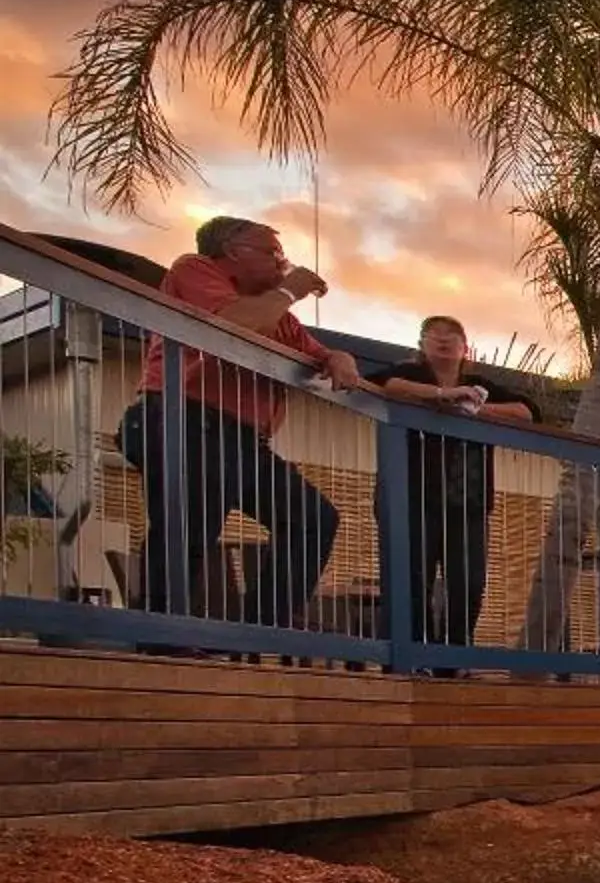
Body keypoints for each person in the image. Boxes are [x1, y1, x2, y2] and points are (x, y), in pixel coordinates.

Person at [120, 215, 362, 626]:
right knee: (188, 526)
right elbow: (230, 326)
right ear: (233, 252)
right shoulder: (195, 269)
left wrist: (340, 357)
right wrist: (290, 288)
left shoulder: (278, 313)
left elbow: (320, 352)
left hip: (244, 441)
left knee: (313, 517)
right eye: (273, 252)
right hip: (182, 416)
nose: (281, 261)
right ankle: (162, 635)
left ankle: (260, 630)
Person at [373, 316, 536, 650]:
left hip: (468, 501)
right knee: (411, 577)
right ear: (421, 346)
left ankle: (453, 656)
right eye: (433, 335)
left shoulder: (479, 384)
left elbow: (526, 411)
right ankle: (413, 654)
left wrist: (474, 408)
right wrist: (442, 394)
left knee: (469, 581)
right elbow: (389, 386)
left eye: (452, 336)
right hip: (411, 497)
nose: (443, 340)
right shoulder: (410, 373)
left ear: (466, 348)